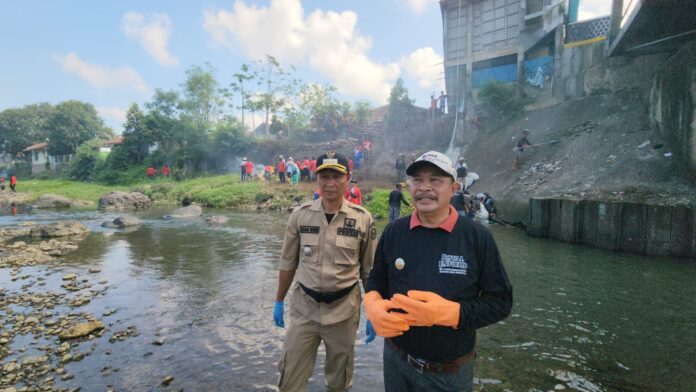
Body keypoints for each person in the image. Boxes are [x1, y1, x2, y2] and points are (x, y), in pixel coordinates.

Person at [364, 151, 513, 392]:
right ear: (409, 186)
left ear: (453, 188)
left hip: (449, 373)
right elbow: (376, 281)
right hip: (396, 361)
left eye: (435, 180)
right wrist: (372, 304)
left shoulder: (477, 238)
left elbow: (501, 302)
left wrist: (452, 314)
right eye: (418, 180)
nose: (425, 188)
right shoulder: (394, 232)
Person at [273, 151, 377, 392]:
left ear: (348, 178)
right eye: (324, 177)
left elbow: (369, 270)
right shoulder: (300, 215)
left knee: (339, 381)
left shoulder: (363, 219)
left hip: (344, 311)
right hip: (304, 309)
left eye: (336, 177)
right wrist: (278, 299)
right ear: (317, 179)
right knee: (290, 378)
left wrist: (373, 308)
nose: (330, 183)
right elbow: (288, 262)